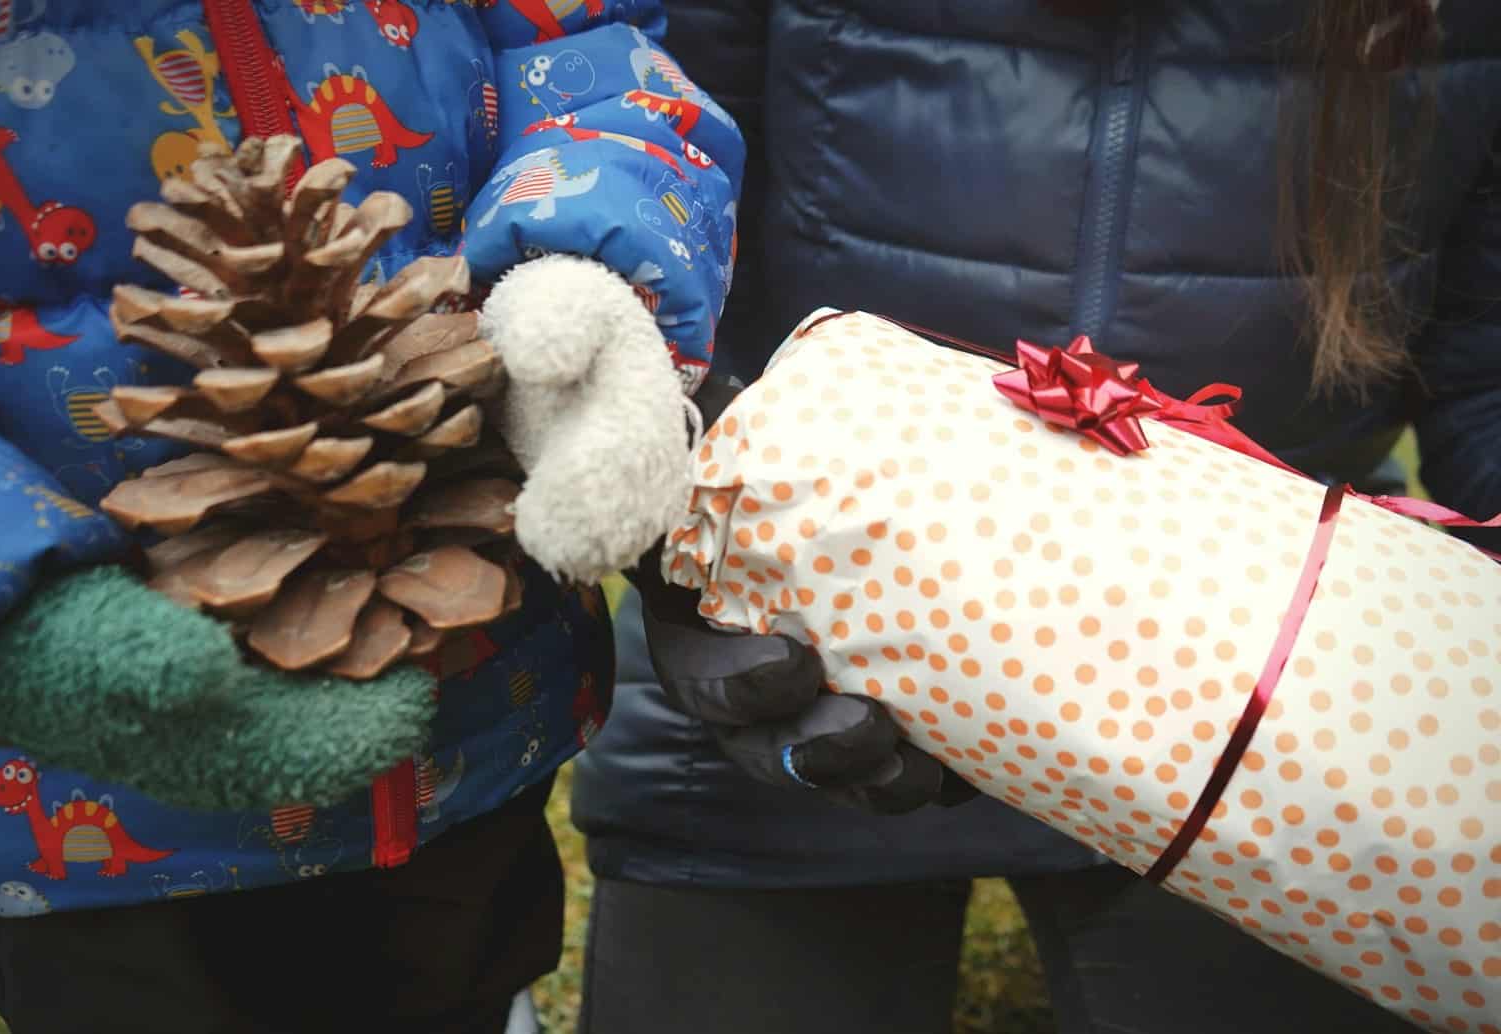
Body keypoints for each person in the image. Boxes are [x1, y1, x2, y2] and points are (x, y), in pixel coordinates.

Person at [571, 0, 1501, 1031]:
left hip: (1265, 736)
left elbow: (1483, 361)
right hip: (798, 669)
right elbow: (641, 211)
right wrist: (677, 541)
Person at [0, 3, 741, 1032]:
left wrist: (585, 274)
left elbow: (587, 52)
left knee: (464, 967)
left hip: (473, 689)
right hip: (87, 800)